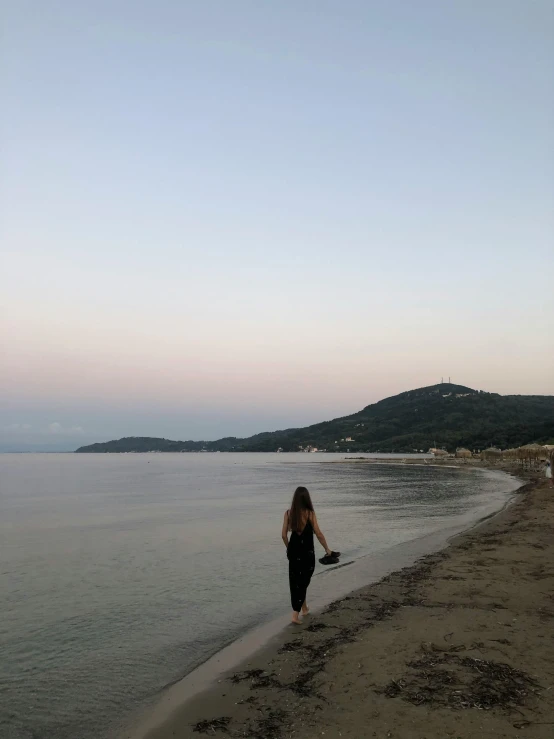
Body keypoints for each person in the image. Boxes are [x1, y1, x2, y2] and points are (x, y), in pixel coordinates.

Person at [281, 486, 334, 624]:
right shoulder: (310, 513)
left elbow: (283, 535)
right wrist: (328, 550)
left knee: (296, 581)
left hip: (293, 553)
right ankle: (295, 614)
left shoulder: (288, 513)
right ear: (307, 499)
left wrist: (289, 549)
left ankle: (304, 608)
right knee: (304, 580)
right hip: (307, 553)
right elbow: (318, 533)